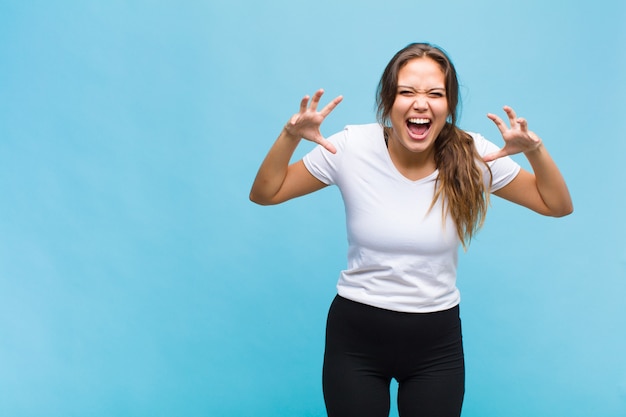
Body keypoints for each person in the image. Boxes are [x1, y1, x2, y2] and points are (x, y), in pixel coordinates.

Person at [249, 42, 572, 417]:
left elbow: (557, 205)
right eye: (407, 92)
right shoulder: (351, 147)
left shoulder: (473, 154)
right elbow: (265, 193)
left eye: (435, 94)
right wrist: (290, 135)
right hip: (355, 339)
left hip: (436, 345)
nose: (421, 103)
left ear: (449, 106)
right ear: (388, 101)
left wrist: (535, 150)